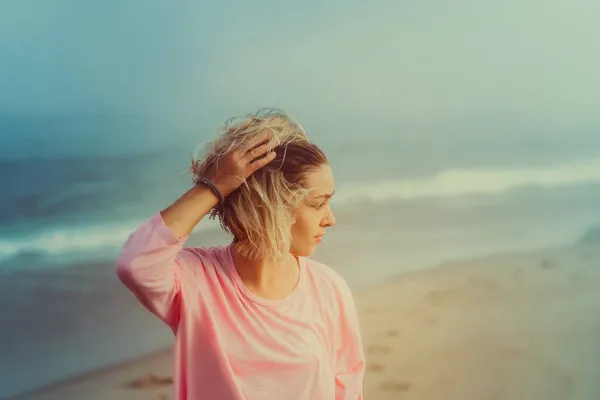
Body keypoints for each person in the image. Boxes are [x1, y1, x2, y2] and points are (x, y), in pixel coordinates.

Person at [116, 109, 366, 399]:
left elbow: (347, 386)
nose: (330, 219)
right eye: (318, 204)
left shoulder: (328, 289)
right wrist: (213, 186)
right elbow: (136, 263)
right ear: (274, 205)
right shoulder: (197, 282)